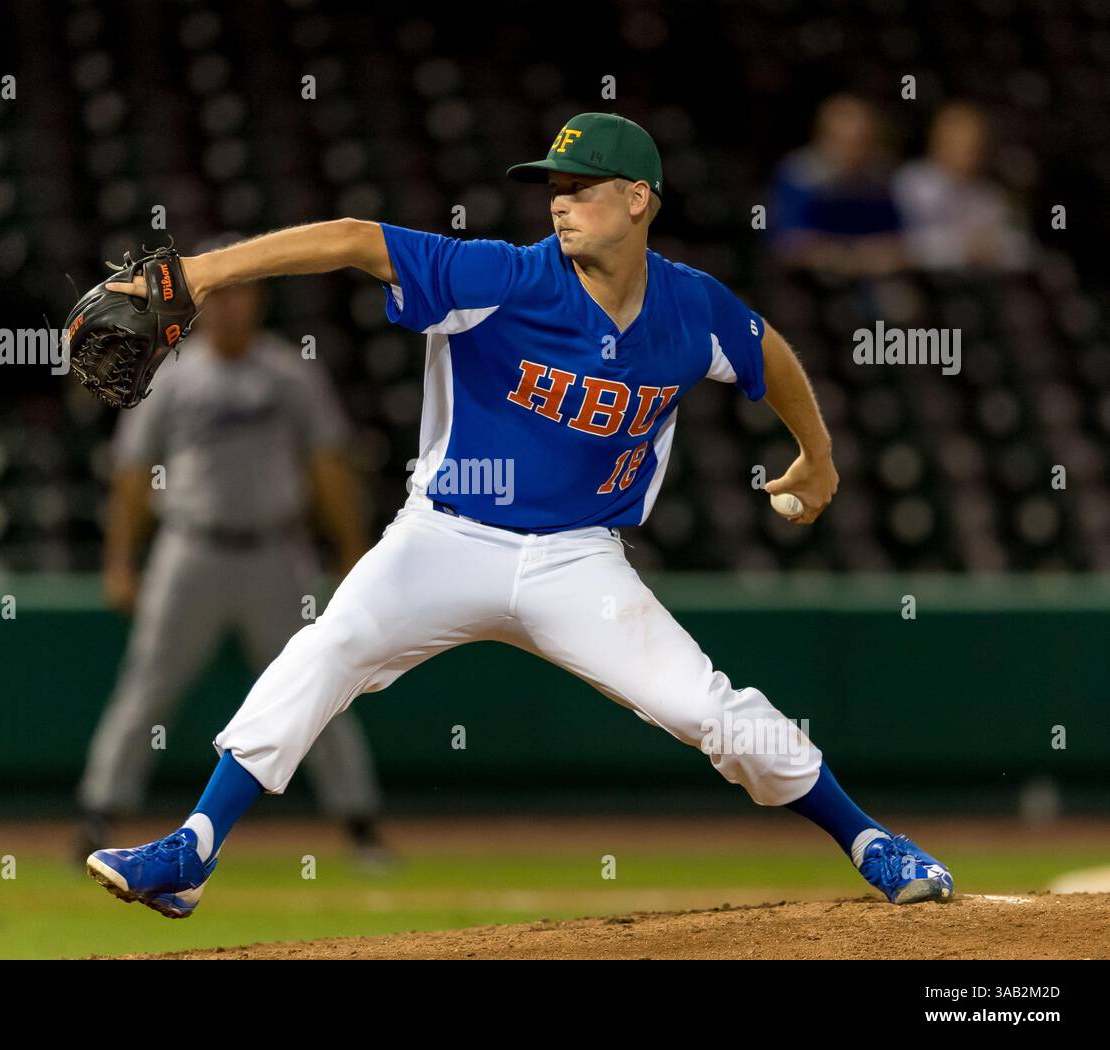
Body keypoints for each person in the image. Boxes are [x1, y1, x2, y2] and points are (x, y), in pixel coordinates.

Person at [83, 113, 953, 919]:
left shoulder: (693, 307)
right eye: (555, 186)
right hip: (445, 537)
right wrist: (196, 274)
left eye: (582, 185)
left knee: (708, 711)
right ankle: (193, 850)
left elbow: (765, 351)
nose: (561, 201)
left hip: (579, 561)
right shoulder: (502, 275)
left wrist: (820, 454)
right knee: (326, 648)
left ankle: (872, 841)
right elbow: (352, 240)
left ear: (639, 198)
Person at [75, 256, 393, 869]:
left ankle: (360, 825)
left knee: (318, 682)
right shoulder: (172, 375)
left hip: (277, 551)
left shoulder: (289, 373)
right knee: (147, 688)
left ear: (257, 302)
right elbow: (134, 472)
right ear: (201, 304)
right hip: (189, 548)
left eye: (240, 294)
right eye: (219, 296)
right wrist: (120, 560)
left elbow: (329, 466)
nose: (229, 306)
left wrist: (353, 551)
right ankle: (97, 815)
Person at [768, 94, 906, 276]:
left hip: (873, 273)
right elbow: (786, 241)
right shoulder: (799, 175)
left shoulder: (882, 176)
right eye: (844, 142)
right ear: (823, 137)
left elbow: (897, 236)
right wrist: (835, 255)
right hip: (809, 277)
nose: (854, 152)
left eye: (862, 142)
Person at [892, 102, 1030, 272]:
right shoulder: (913, 182)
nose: (970, 152)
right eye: (960, 143)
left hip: (985, 283)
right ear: (938, 141)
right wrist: (966, 248)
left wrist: (992, 247)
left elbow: (1020, 248)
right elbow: (906, 245)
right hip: (924, 282)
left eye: (976, 145)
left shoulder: (991, 193)